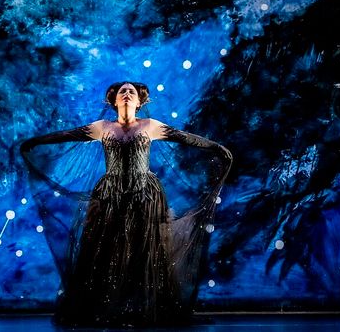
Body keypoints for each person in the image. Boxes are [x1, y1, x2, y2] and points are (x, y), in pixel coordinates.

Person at [19, 81, 233, 327]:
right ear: (114, 100)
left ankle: (147, 309)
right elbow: (67, 135)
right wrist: (36, 142)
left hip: (145, 196)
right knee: (106, 251)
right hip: (110, 196)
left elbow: (186, 138)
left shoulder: (150, 126)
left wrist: (216, 147)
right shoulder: (102, 127)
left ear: (140, 101)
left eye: (132, 91)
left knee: (146, 251)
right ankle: (105, 307)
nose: (128, 94)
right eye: (123, 91)